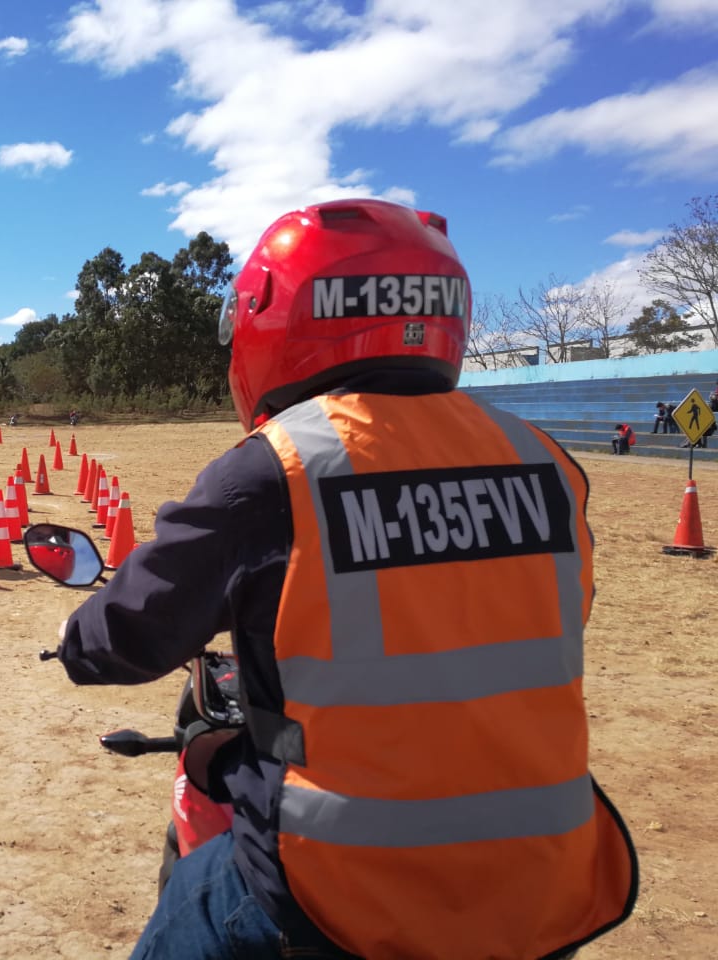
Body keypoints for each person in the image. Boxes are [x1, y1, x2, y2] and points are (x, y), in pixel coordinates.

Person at [55, 199, 637, 959]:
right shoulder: (545, 460)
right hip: (546, 878)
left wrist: (78, 638)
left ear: (279, 319)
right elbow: (553, 615)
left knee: (188, 920)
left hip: (345, 890)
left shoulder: (274, 471)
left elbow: (122, 640)